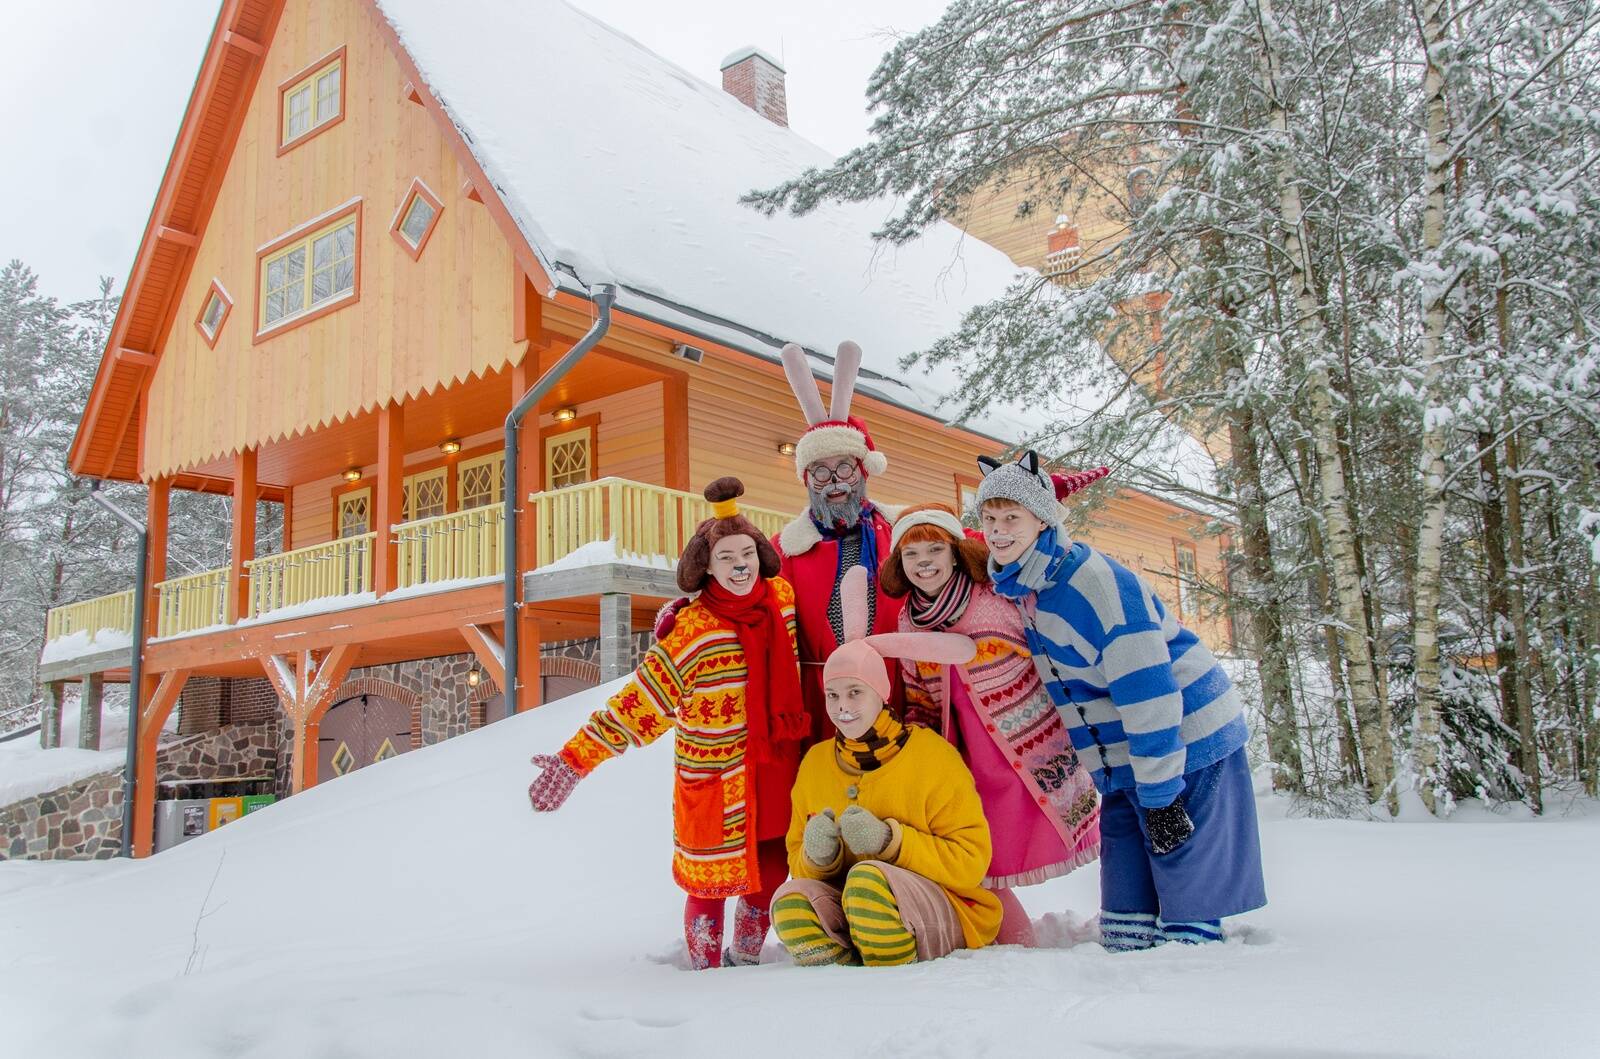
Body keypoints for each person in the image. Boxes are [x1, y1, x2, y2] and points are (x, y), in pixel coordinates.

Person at [975, 451, 1266, 952]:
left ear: (1043, 518)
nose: (998, 531)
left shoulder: (1094, 585)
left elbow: (1149, 693)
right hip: (1123, 755)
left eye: (1012, 518)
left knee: (1184, 904)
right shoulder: (1024, 586)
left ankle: (1195, 971)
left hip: (1185, 736)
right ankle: (1135, 940)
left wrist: (1160, 797)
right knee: (1123, 927)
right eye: (989, 518)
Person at [526, 477, 808, 969]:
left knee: (773, 865)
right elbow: (640, 704)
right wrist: (575, 760)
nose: (740, 565)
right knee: (709, 880)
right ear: (706, 567)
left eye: (746, 553)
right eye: (726, 557)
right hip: (716, 777)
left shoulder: (781, 600)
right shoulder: (693, 631)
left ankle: (747, 956)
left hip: (778, 761)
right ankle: (703, 969)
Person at [882, 502, 1101, 946]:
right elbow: (917, 686)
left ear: (957, 552)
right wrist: (919, 743)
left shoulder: (994, 595)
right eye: (911, 555)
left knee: (1054, 826)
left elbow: (1045, 650)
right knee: (977, 849)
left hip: (1023, 735)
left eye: (933, 550)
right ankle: (1012, 939)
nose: (924, 563)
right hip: (962, 749)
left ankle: (1122, 909)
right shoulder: (909, 617)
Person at [771, 568, 1002, 967]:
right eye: (833, 695)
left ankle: (890, 984)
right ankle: (839, 976)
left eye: (855, 692)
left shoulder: (931, 756)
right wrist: (818, 857)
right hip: (855, 902)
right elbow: (798, 863)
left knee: (867, 883)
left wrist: (890, 843)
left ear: (881, 693)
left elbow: (971, 862)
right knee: (790, 901)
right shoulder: (815, 764)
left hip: (943, 906)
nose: (842, 707)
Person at [772, 340, 905, 743]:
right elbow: (745, 597)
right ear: (806, 480)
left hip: (894, 688)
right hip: (823, 697)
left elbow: (962, 549)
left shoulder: (902, 530)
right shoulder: (785, 550)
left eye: (843, 467)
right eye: (820, 472)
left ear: (863, 470)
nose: (834, 482)